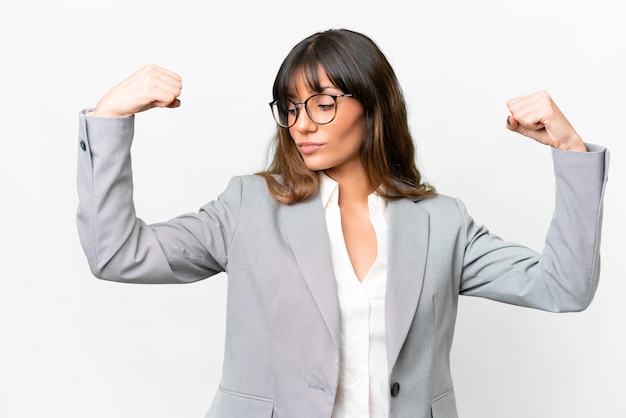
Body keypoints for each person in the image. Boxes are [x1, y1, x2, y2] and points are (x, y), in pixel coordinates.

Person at [76, 29, 608, 418]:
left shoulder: (443, 223)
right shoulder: (249, 207)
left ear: (372, 106)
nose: (301, 123)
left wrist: (570, 150)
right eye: (290, 107)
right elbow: (118, 253)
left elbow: (563, 288)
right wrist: (109, 118)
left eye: (323, 103)